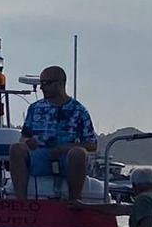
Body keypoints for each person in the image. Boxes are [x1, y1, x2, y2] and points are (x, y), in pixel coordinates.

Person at [10, 66, 98, 200]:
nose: (42, 87)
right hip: (40, 158)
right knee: (16, 148)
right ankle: (21, 203)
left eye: (46, 83)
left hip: (67, 160)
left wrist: (66, 148)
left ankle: (75, 202)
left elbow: (92, 145)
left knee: (79, 153)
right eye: (41, 83)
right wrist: (27, 142)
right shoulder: (34, 108)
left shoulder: (79, 110)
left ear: (60, 84)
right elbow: (24, 136)